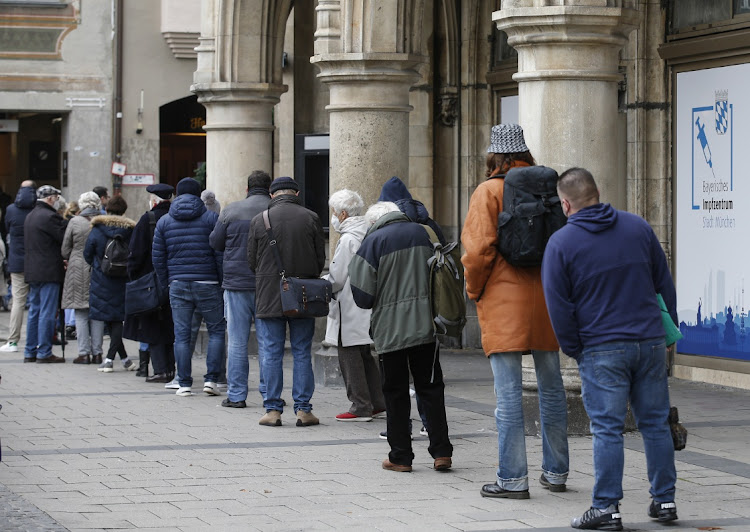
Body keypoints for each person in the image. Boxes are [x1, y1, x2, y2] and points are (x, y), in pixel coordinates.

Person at [541, 167, 678, 530]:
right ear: (597, 192)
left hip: (601, 348)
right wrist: (666, 336)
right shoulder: (638, 228)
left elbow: (558, 306)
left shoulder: (561, 243)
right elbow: (664, 285)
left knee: (607, 429)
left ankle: (606, 508)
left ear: (565, 204)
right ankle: (664, 500)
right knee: (655, 424)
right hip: (648, 342)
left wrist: (575, 349)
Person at [462, 123, 568, 499]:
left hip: (505, 301)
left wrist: (475, 291)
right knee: (552, 389)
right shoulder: (548, 189)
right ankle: (556, 473)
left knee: (508, 395)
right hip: (547, 299)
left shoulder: (489, 190)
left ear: (494, 155)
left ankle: (512, 479)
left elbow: (477, 252)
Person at [349, 201, 453, 472]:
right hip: (426, 326)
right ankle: (441, 452)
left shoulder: (372, 242)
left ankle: (400, 456)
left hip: (390, 329)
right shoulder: (425, 233)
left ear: (374, 222)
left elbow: (362, 296)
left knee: (395, 392)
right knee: (431, 388)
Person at [247, 176, 325, 427]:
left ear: (272, 195)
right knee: (302, 351)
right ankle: (303, 410)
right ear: (296, 193)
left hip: (270, 295)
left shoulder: (260, 219)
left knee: (270, 352)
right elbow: (318, 261)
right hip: (302, 294)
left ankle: (272, 410)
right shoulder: (311, 217)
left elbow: (251, 261)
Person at [376, 176, 438, 437]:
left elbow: (366, 282)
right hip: (429, 312)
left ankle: (400, 434)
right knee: (428, 380)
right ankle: (434, 432)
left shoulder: (384, 232)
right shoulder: (428, 225)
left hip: (394, 315)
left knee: (396, 383)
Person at [152, 177, 225, 397]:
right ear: (198, 194)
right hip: (208, 282)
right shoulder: (211, 218)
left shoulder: (164, 221)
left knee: (181, 335)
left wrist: (168, 279)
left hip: (178, 283)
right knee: (216, 331)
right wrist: (220, 280)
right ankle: (212, 380)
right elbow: (220, 254)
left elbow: (158, 257)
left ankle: (183, 382)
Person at [209, 170, 271, 409]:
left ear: (247, 189)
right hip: (266, 284)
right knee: (268, 341)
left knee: (236, 341)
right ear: (269, 190)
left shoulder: (231, 210)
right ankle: (269, 393)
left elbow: (215, 242)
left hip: (235, 284)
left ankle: (236, 395)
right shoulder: (273, 211)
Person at [325, 189, 385, 422]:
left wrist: (324, 285)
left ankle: (360, 405)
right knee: (365, 354)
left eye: (333, 213)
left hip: (350, 304)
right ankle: (377, 402)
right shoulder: (369, 232)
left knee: (349, 354)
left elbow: (337, 277)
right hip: (366, 301)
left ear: (341, 214)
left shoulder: (348, 238)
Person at [123, 183, 176, 383]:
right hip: (176, 279)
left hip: (151, 282)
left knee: (153, 327)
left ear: (153, 200)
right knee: (172, 326)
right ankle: (171, 368)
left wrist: (134, 277)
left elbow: (135, 254)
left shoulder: (148, 219)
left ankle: (161, 370)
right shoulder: (176, 216)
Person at [84, 195, 136, 372]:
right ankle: (126, 360)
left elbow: (87, 254)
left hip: (101, 280)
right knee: (115, 320)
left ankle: (108, 360)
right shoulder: (131, 230)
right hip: (123, 280)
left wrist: (98, 265)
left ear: (107, 209)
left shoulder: (97, 229)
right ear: (124, 212)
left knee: (112, 320)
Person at [23, 185, 68, 363]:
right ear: (50, 198)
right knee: (47, 312)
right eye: (56, 198)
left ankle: (29, 351)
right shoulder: (50, 217)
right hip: (49, 270)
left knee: (34, 311)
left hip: (32, 270)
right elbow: (63, 240)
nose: (57, 201)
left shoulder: (30, 215)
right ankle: (44, 352)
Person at [61, 192, 101, 364]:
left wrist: (73, 256)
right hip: (99, 269)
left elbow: (65, 249)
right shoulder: (103, 221)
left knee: (80, 311)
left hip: (77, 268)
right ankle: (98, 353)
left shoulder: (75, 222)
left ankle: (83, 353)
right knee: (98, 312)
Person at [1, 180, 36, 353]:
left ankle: (13, 341)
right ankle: (36, 340)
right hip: (38, 263)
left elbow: (7, 229)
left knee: (18, 302)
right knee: (39, 302)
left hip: (17, 262)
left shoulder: (10, 210)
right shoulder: (39, 210)